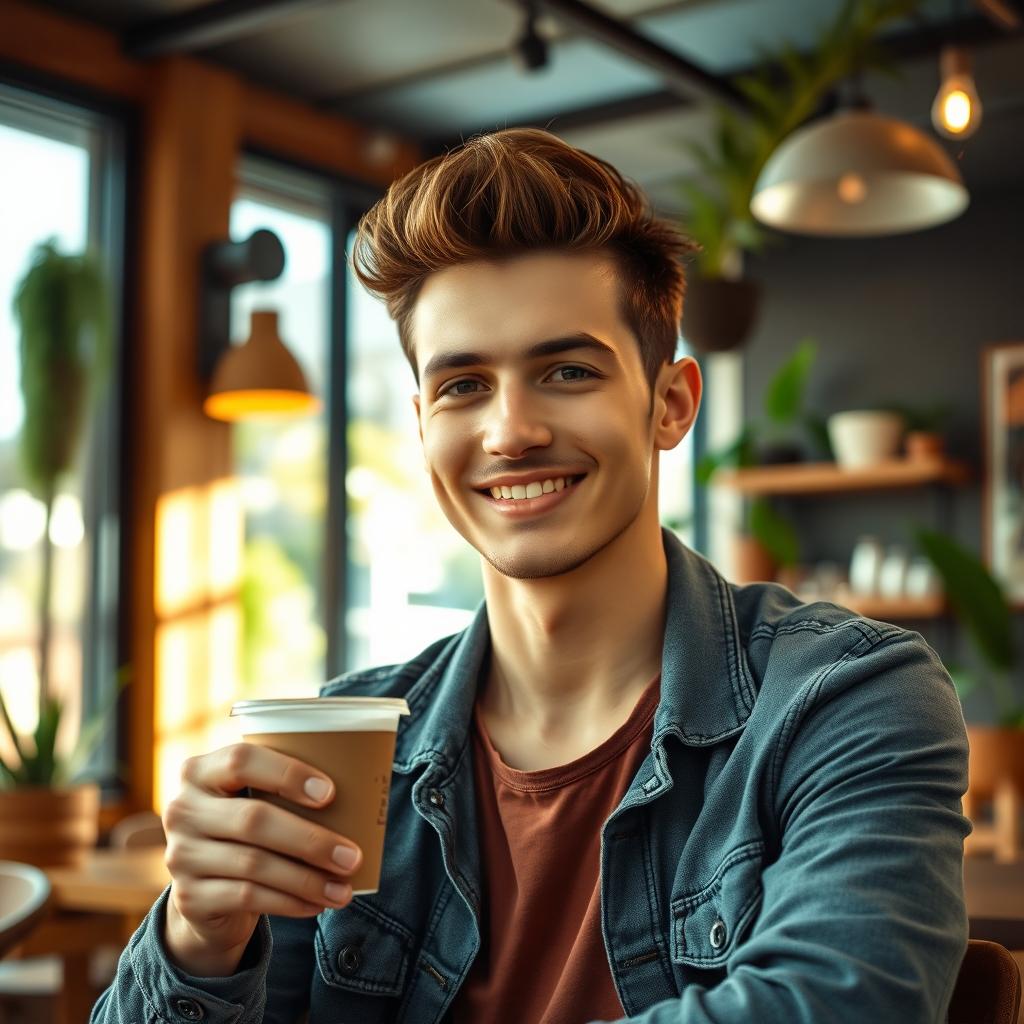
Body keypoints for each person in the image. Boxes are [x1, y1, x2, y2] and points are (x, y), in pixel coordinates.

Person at [91, 128, 971, 1024]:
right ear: (423, 423)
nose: (511, 431)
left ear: (669, 404)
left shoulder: (847, 698)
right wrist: (198, 941)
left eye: (567, 370)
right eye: (463, 385)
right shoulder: (354, 748)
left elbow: (836, 1006)